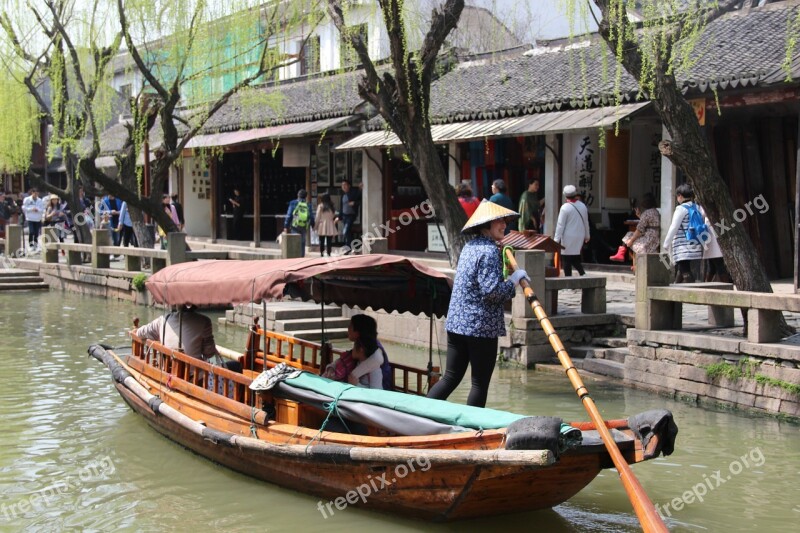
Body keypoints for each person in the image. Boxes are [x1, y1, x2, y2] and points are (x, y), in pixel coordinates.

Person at [427, 200, 529, 408]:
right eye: (499, 221)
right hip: (480, 327)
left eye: (504, 221)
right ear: (486, 226)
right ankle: (473, 431)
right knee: (479, 384)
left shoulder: (470, 247)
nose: (504, 225)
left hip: (457, 324)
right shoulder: (490, 251)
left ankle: (418, 413)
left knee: (450, 378)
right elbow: (491, 292)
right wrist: (514, 282)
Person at [134, 305, 219, 362]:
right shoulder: (204, 321)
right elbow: (209, 353)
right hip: (195, 378)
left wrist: (136, 329)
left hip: (168, 374)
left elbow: (139, 333)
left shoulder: (163, 319)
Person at [663, 183, 704, 283]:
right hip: (696, 244)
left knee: (685, 272)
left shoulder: (681, 209)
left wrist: (666, 243)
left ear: (680, 196)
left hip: (683, 247)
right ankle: (674, 291)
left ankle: (693, 292)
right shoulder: (697, 207)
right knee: (681, 270)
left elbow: (674, 227)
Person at [611, 192, 660, 268]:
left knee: (629, 238)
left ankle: (633, 262)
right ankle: (623, 255)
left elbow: (639, 229)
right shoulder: (656, 212)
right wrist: (640, 216)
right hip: (655, 238)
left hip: (648, 240)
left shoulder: (646, 213)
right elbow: (649, 223)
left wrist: (631, 241)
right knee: (630, 235)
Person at [554, 185, 590, 277]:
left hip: (568, 236)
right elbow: (586, 222)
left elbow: (560, 225)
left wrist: (556, 240)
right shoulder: (582, 206)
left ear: (565, 195)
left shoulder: (565, 207)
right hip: (579, 235)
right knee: (574, 257)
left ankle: (569, 279)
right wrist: (587, 235)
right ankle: (582, 274)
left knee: (566, 259)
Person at [283, 189, 314, 257]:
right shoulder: (308, 205)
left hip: (295, 225)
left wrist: (286, 226)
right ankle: (301, 257)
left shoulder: (293, 203)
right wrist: (313, 225)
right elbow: (311, 216)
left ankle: (295, 257)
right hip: (304, 226)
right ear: (306, 197)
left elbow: (289, 215)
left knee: (295, 242)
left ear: (298, 195)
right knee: (302, 242)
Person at [334, 179, 361, 254]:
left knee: (345, 231)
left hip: (351, 216)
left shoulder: (353, 193)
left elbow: (360, 200)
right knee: (348, 232)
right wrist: (339, 217)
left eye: (345, 185)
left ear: (349, 186)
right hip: (344, 216)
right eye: (342, 185)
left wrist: (354, 203)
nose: (343, 187)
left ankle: (349, 247)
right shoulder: (343, 195)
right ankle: (352, 247)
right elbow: (341, 207)